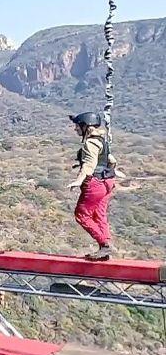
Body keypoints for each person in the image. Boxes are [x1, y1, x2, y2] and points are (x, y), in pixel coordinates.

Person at [67, 112, 117, 261]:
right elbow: (111, 160)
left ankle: (105, 245)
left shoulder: (90, 143)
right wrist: (114, 171)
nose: (76, 129)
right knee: (99, 215)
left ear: (85, 126)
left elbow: (89, 165)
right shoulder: (102, 140)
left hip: (95, 183)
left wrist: (79, 180)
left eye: (77, 126)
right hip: (108, 181)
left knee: (82, 214)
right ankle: (105, 247)